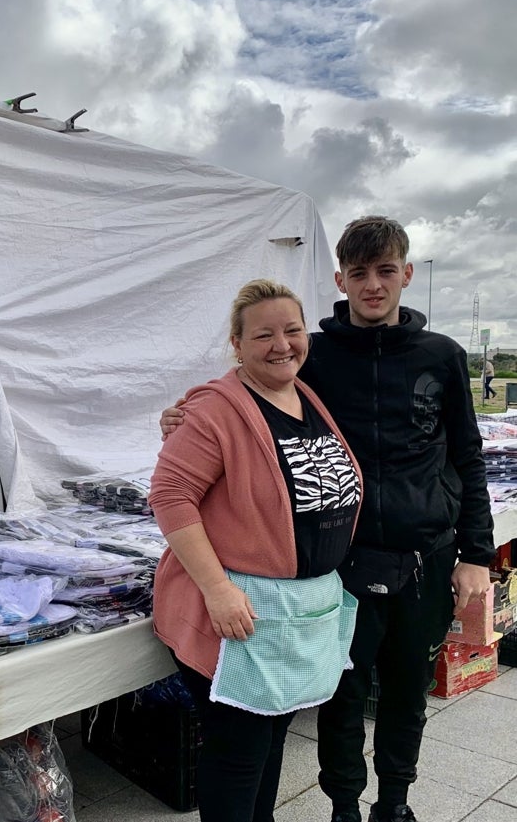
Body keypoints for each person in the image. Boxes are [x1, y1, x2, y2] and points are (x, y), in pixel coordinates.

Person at [159, 216, 494, 822]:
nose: (373, 285)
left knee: (406, 693)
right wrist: (181, 416)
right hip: (344, 565)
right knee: (337, 692)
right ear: (340, 279)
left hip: (426, 555)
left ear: (406, 275)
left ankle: (393, 805)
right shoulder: (315, 357)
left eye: (386, 270)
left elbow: (466, 455)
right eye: (359, 273)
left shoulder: (442, 357)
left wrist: (477, 553)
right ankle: (343, 807)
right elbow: (248, 396)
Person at [150, 279, 363, 822]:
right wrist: (217, 589)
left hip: (296, 615)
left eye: (292, 330)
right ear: (237, 344)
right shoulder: (217, 410)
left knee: (269, 745)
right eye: (263, 334)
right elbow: (171, 497)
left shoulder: (305, 395)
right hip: (239, 615)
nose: (281, 344)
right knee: (239, 753)